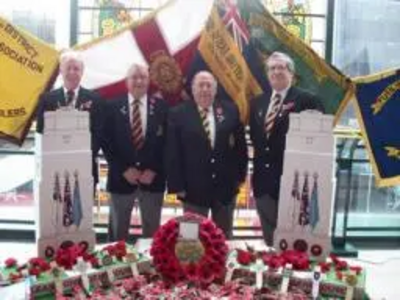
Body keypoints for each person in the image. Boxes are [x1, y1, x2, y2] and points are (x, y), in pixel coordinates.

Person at [249, 51, 324, 246]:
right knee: (270, 240)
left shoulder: (308, 100)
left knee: (293, 240)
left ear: (291, 73)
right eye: (272, 68)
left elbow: (317, 142)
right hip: (263, 182)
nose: (276, 71)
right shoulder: (257, 102)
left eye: (281, 67)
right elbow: (257, 141)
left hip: (294, 183)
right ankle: (272, 273)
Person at [166, 71, 248, 239]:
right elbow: (172, 153)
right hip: (192, 190)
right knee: (191, 240)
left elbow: (241, 147)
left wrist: (240, 178)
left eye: (209, 85)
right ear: (193, 89)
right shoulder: (178, 113)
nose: (204, 89)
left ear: (215, 89)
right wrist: (177, 186)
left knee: (223, 239)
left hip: (225, 189)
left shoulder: (230, 110)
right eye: (200, 85)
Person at [101, 63, 168, 241]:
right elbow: (107, 143)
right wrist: (123, 169)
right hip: (120, 180)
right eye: (134, 77)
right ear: (126, 82)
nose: (139, 81)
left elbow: (167, 144)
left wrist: (154, 170)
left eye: (143, 77)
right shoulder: (112, 107)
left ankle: (151, 267)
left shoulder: (162, 107)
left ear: (149, 80)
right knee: (117, 235)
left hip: (153, 181)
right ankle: (117, 267)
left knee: (153, 236)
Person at [36, 51, 104, 191]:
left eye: (76, 68)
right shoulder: (47, 99)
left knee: (83, 213)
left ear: (82, 72)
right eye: (68, 68)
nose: (72, 72)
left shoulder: (96, 99)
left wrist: (80, 154)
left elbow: (99, 134)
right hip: (53, 169)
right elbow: (40, 131)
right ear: (61, 70)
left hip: (85, 169)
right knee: (53, 212)